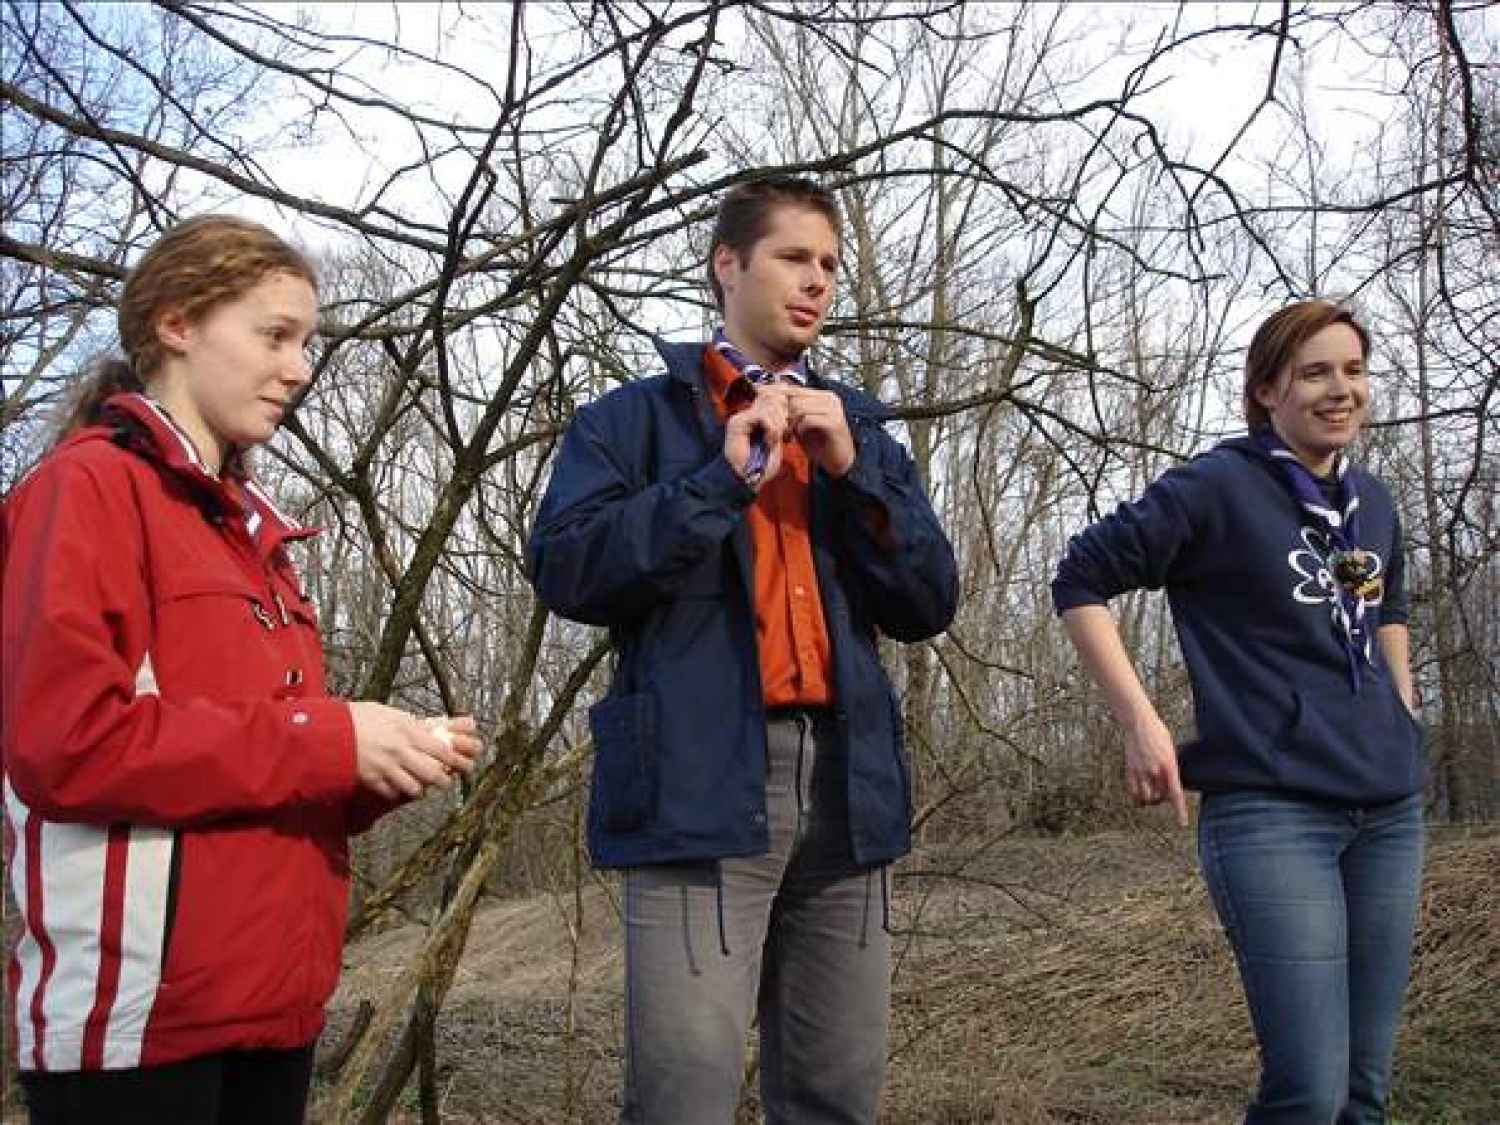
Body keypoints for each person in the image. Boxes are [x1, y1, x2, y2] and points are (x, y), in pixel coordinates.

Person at [2, 215, 481, 1125]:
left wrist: (377, 761)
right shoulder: (86, 488)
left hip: (272, 1007)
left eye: (307, 343)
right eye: (275, 335)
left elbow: (256, 764)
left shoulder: (256, 534)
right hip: (140, 1030)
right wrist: (327, 736)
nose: (301, 369)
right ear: (177, 323)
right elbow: (65, 746)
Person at [527, 176, 958, 1124]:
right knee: (683, 1097)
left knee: (836, 1095)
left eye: (831, 267)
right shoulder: (631, 422)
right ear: (728, 264)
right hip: (697, 784)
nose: (817, 283)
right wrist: (714, 481)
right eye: (794, 258)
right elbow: (567, 571)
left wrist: (855, 475)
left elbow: (930, 602)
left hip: (851, 790)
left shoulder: (862, 429)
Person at [1053, 300, 1425, 1124]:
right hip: (1274, 809)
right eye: (1316, 372)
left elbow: (1388, 599)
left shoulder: (1374, 499)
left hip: (1389, 812)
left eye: (1354, 371)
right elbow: (1079, 577)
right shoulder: (1217, 486)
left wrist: (1400, 707)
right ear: (1266, 390)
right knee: (1310, 1090)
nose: (1341, 390)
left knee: (1365, 1092)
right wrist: (1140, 722)